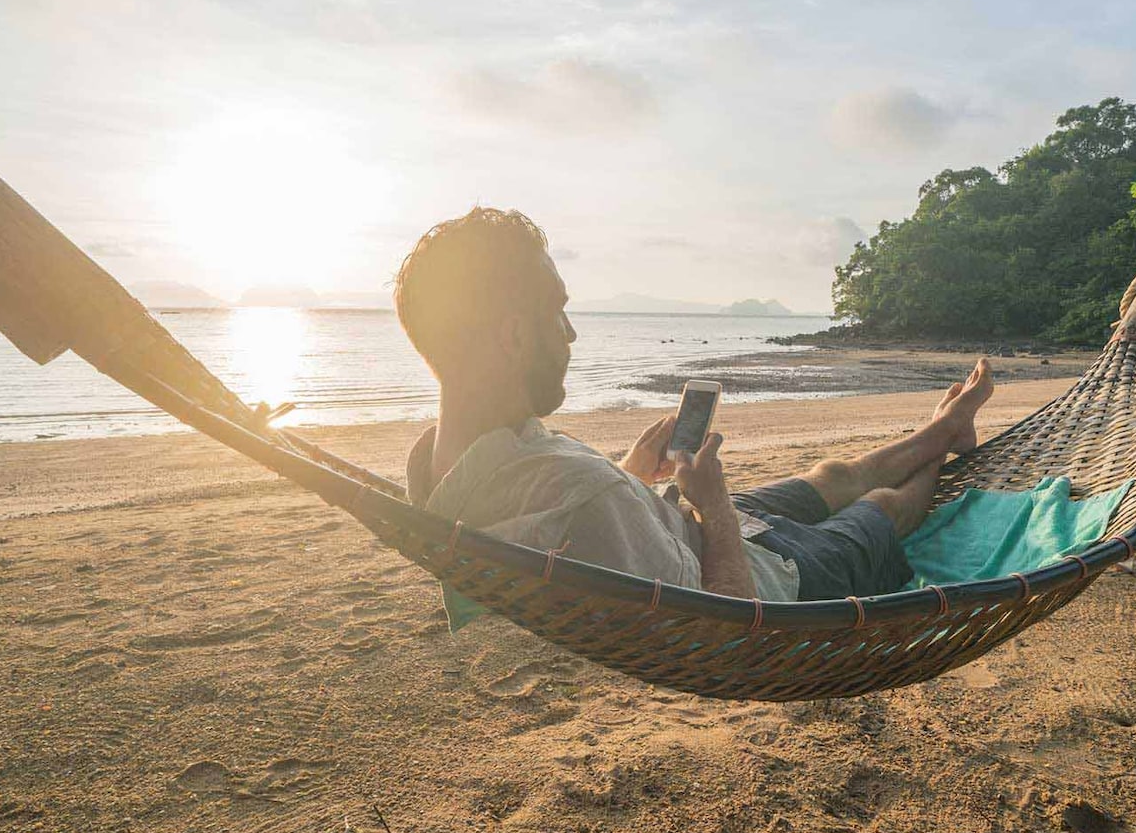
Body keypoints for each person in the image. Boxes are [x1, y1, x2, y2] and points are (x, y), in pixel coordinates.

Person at [396, 207, 994, 612]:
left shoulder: (438, 470)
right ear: (515, 338)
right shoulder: (583, 495)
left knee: (833, 476)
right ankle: (944, 446)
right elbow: (725, 614)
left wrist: (629, 471)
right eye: (557, 312)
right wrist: (712, 503)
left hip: (677, 525)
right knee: (882, 506)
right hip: (769, 575)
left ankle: (942, 427)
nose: (571, 333)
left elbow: (572, 517)